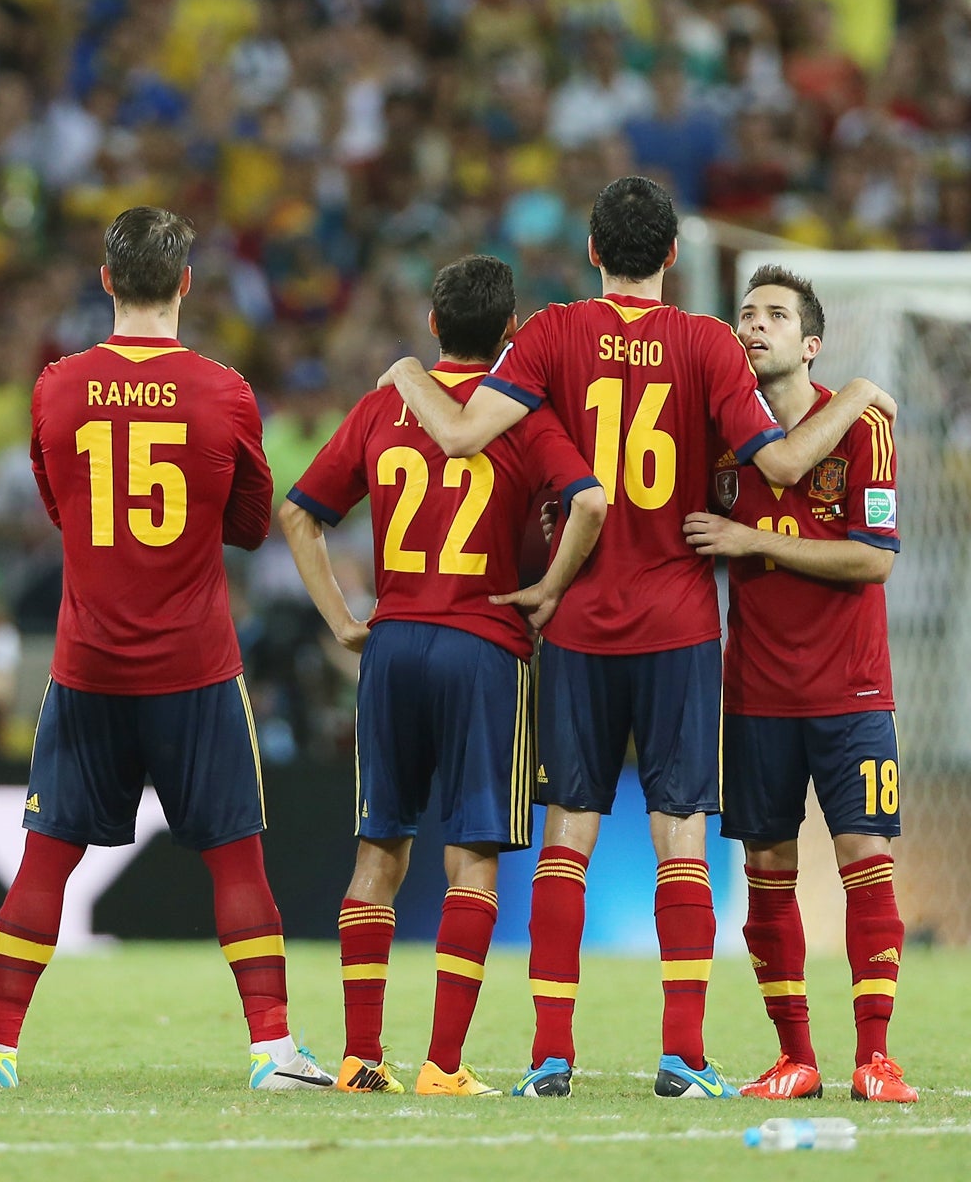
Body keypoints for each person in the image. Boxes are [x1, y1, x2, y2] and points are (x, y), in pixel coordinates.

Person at [382, 176, 897, 1098]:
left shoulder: (548, 335)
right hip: (680, 627)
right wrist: (856, 390)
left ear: (591, 253)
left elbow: (460, 438)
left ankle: (550, 1057)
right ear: (670, 257)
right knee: (681, 844)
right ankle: (684, 1057)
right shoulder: (707, 344)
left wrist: (409, 375)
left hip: (576, 624)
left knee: (567, 839)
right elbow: (778, 462)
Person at [0, 206, 329, 1094]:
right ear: (187, 284)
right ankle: (272, 1053)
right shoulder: (225, 391)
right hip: (196, 666)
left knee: (47, 857)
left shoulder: (56, 386)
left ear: (108, 281)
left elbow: (59, 508)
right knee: (237, 857)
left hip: (88, 667)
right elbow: (248, 528)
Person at [281, 254, 608, 1096]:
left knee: (378, 851)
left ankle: (358, 1058)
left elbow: (299, 512)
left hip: (392, 648)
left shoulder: (389, 401)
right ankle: (444, 1066)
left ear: (432, 325)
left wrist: (346, 622)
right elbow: (588, 502)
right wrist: (549, 589)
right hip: (483, 648)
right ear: (510, 333)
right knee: (472, 862)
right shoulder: (523, 415)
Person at [681, 266, 916, 1104]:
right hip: (753, 695)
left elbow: (874, 559)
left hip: (853, 694)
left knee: (868, 863)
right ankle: (797, 1059)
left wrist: (754, 542)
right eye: (746, 314)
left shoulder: (864, 430)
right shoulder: (719, 436)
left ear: (810, 343)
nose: (754, 326)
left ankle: (876, 1059)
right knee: (766, 872)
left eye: (775, 315)